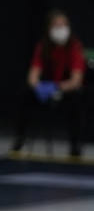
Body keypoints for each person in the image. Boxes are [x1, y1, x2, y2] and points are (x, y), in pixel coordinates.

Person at [11, 9, 85, 157]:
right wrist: (40, 87)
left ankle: (75, 147)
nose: (61, 30)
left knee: (78, 100)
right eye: (57, 26)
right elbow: (33, 75)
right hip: (45, 90)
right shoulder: (43, 46)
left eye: (63, 26)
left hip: (65, 90)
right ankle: (19, 140)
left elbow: (76, 80)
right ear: (49, 28)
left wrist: (58, 88)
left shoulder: (74, 47)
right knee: (25, 95)